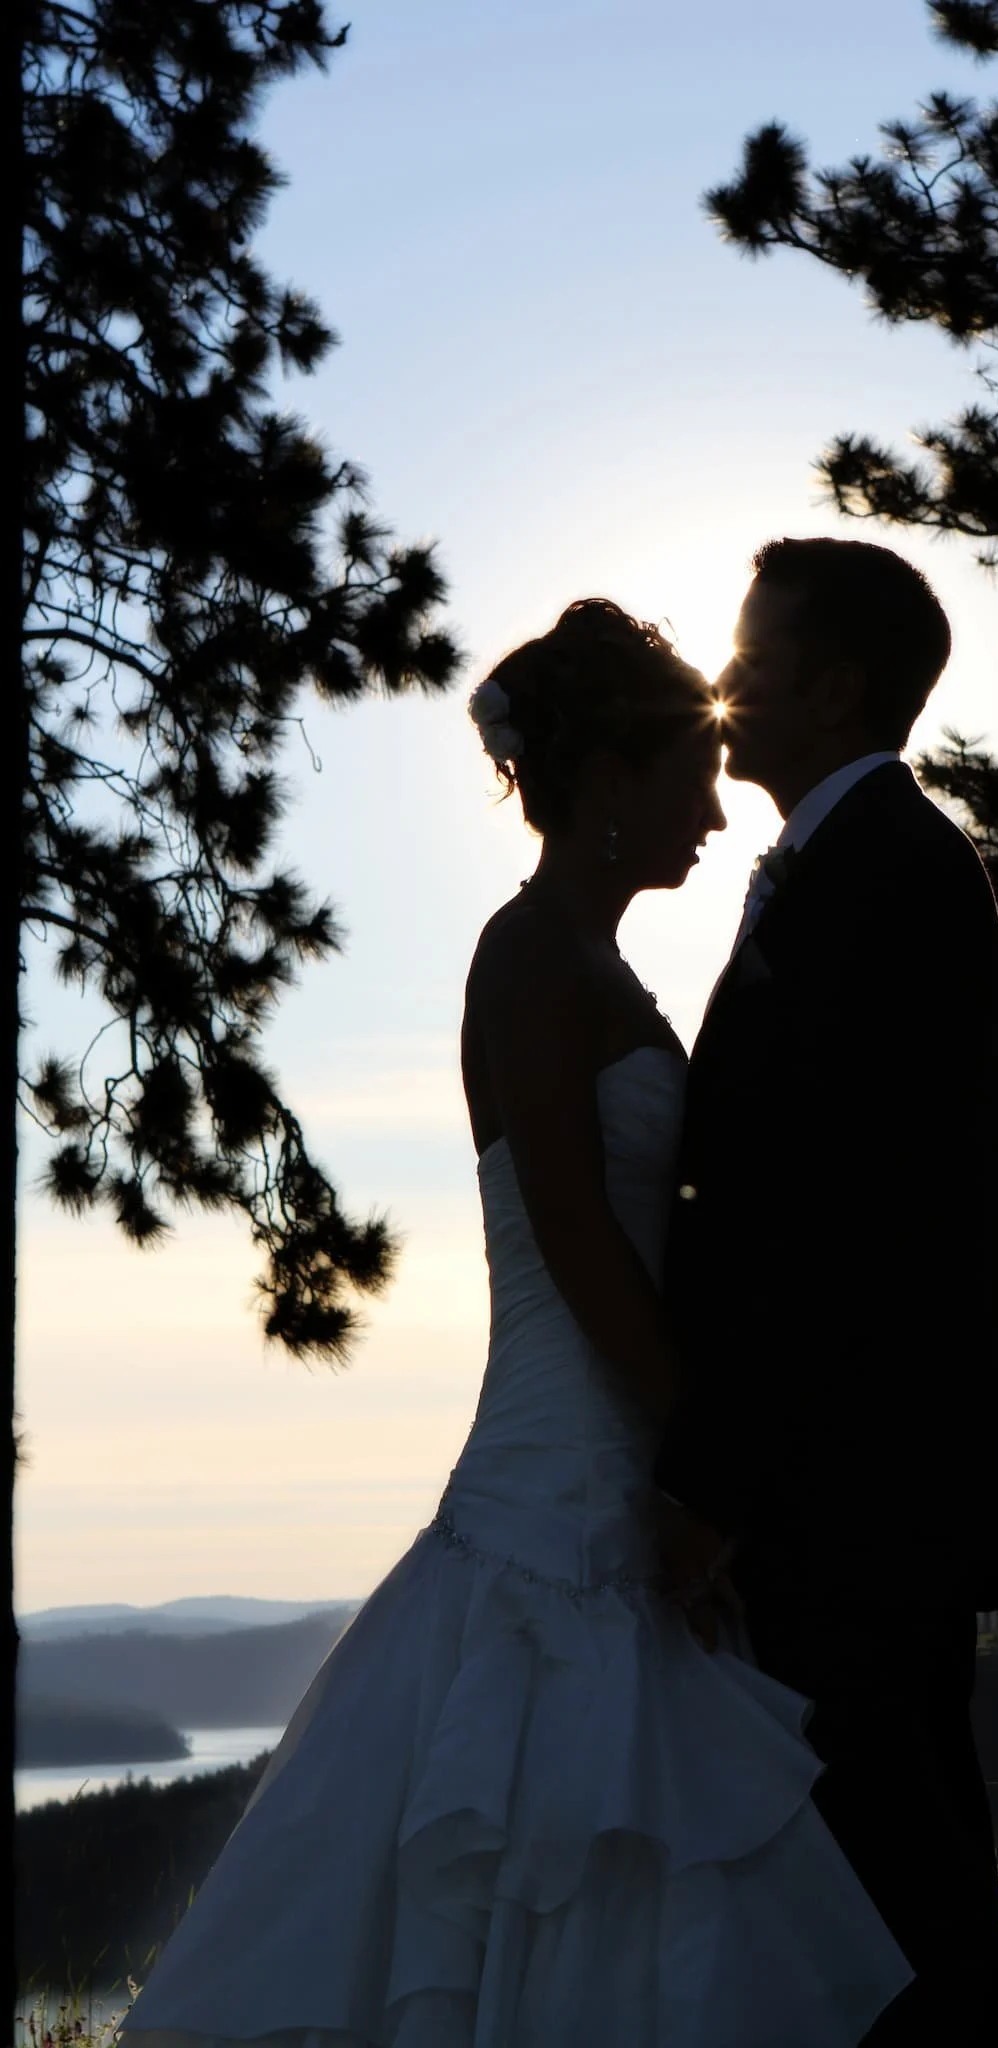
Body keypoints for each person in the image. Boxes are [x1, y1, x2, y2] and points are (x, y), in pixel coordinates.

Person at [118, 598, 912, 2048]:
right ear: (610, 785)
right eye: (690, 775)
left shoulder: (596, 964)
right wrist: (695, 1455)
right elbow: (576, 1235)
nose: (715, 810)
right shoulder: (531, 957)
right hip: (563, 1477)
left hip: (615, 1468)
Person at [655, 539, 998, 2045]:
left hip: (852, 1492)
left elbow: (828, 1225)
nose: (726, 686)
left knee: (899, 1901)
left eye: (755, 656)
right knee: (880, 1900)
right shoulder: (851, 868)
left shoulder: (890, 877)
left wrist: (715, 1484)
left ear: (840, 683)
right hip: (860, 1486)